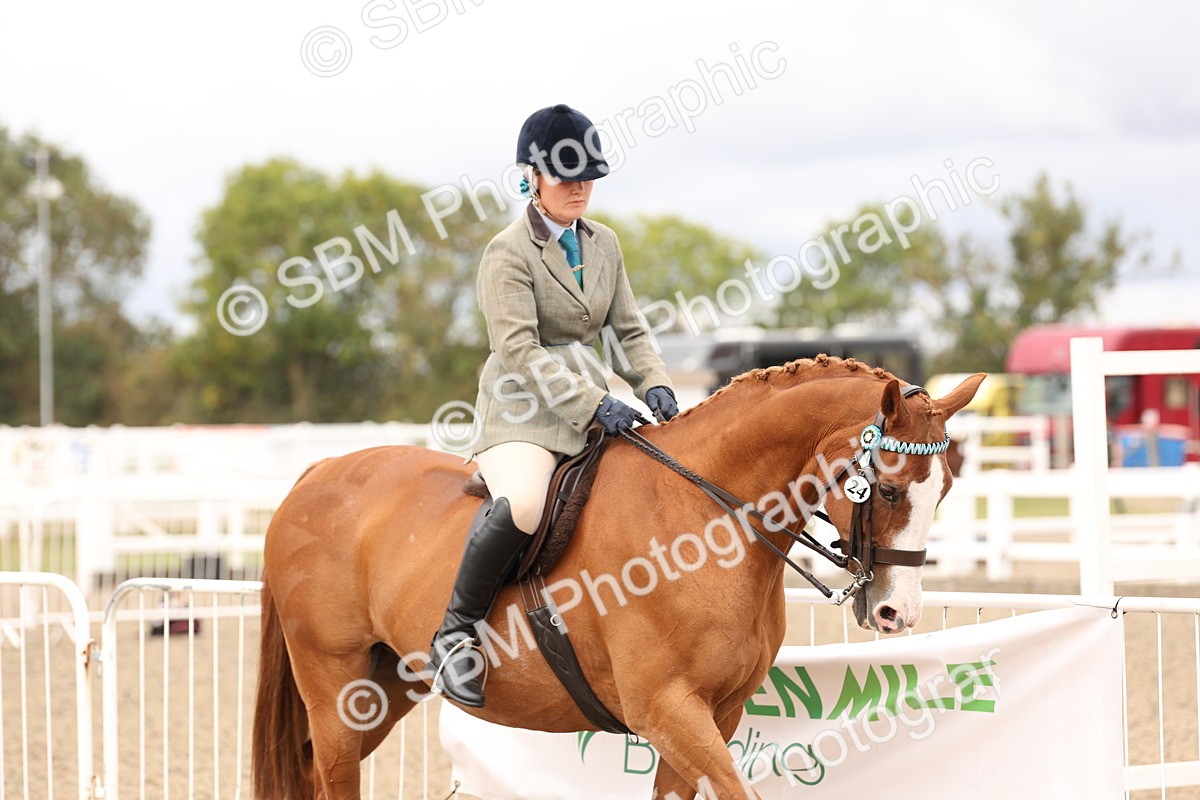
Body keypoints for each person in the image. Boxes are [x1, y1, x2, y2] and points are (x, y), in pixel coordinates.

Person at [429, 104, 679, 707]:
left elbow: (627, 331)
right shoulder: (506, 252)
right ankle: (455, 633)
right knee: (525, 505)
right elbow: (516, 350)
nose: (579, 188)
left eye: (587, 176)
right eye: (566, 176)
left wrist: (654, 384)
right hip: (521, 411)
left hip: (594, 407)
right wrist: (596, 401)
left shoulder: (604, 244)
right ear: (530, 177)